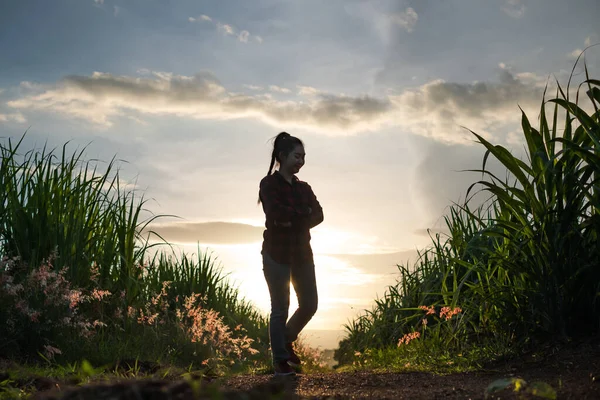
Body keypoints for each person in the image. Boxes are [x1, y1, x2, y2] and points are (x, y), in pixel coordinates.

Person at [257, 131, 324, 376]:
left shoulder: (304, 187)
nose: (301, 161)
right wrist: (301, 214)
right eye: (297, 156)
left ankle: (284, 339)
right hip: (276, 254)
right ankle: (280, 361)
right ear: (282, 156)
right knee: (280, 307)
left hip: (303, 255)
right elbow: (276, 214)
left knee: (309, 304)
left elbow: (318, 214)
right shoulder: (268, 184)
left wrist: (293, 217)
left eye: (304, 157)